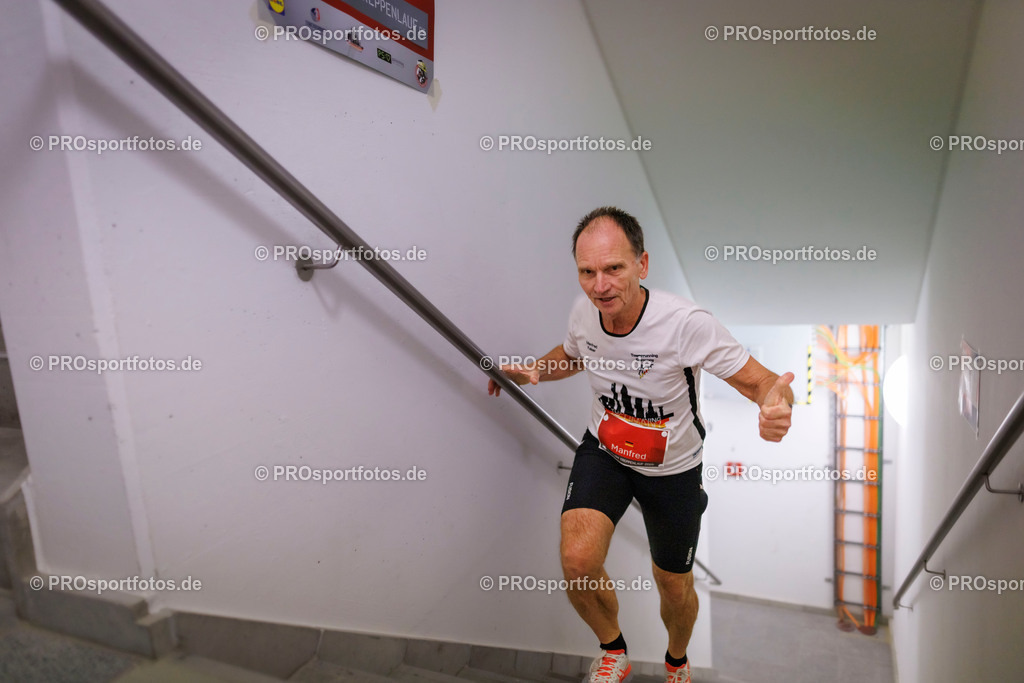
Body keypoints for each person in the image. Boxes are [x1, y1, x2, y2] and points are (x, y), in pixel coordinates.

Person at [487, 207, 794, 683]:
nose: (600, 286)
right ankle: (614, 651)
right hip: (605, 452)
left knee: (673, 587)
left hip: (674, 470)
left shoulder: (686, 324)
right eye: (587, 272)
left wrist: (777, 405)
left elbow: (763, 382)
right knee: (577, 560)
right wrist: (534, 370)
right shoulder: (584, 312)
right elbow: (572, 355)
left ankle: (676, 658)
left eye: (614, 269)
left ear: (642, 265)